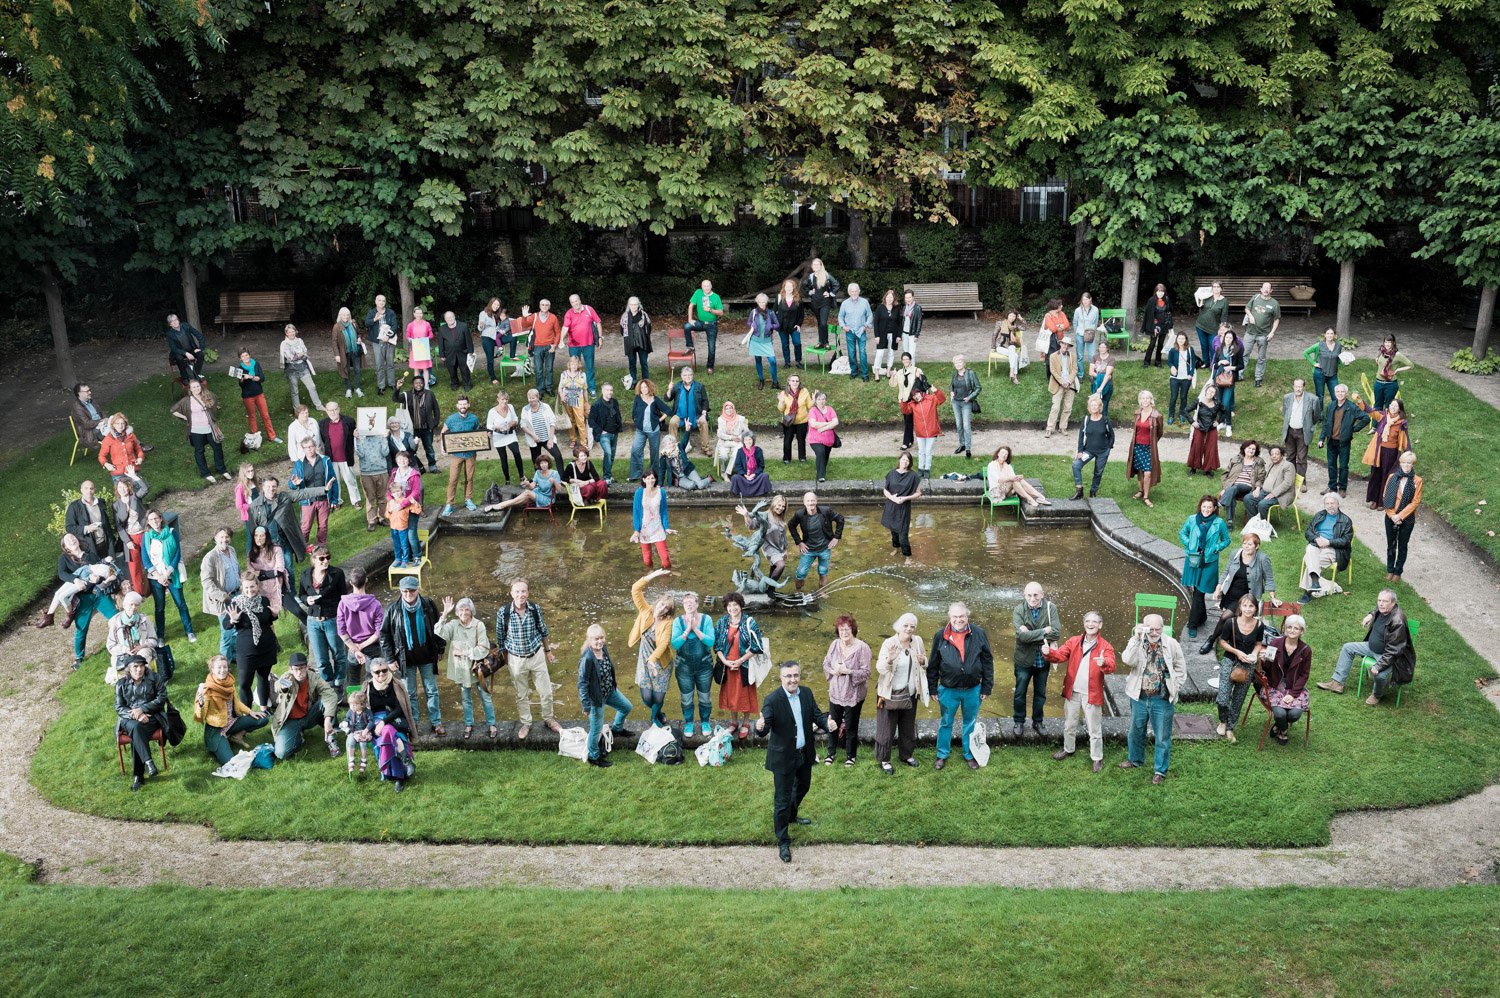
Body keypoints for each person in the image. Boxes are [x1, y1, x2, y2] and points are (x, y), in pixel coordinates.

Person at [757, 660, 837, 862]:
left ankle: (792, 816)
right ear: (781, 678)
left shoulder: (807, 693)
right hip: (783, 757)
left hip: (804, 753)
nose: (793, 680)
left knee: (803, 786)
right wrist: (760, 726)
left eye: (796, 676)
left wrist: (827, 724)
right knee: (781, 800)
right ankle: (783, 841)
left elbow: (817, 715)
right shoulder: (772, 700)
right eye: (788, 676)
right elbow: (764, 727)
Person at [1045, 611, 1116, 772]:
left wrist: (1104, 662)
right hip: (1073, 692)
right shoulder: (1074, 641)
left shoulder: (1105, 646)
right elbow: (1060, 656)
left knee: (1094, 728)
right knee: (1069, 724)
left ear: (1100, 625)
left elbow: (1111, 666)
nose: (1090, 624)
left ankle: (1097, 757)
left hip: (1092, 694)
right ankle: (1068, 748)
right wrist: (1048, 652)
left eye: (1094, 622)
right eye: (1088, 621)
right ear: (1084, 623)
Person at [1317, 589, 1415, 704]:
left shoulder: (1398, 621)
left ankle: (1377, 695)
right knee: (1347, 648)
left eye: (1385, 601)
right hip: (1371, 647)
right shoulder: (1383, 609)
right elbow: (1377, 610)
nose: (1381, 604)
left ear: (1393, 603)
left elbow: (1394, 650)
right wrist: (1371, 614)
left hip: (1388, 655)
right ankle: (1337, 683)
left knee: (1379, 675)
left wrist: (1379, 666)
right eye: (1379, 600)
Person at [1120, 615, 1186, 783]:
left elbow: (1180, 667)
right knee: (1136, 731)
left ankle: (1160, 771)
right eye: (1151, 629)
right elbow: (1127, 660)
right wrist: (1136, 637)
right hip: (1139, 696)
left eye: (1158, 629)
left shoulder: (1171, 644)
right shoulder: (1137, 641)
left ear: (1162, 628)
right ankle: (1135, 760)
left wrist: (1175, 686)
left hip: (1162, 698)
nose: (1154, 632)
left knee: (1162, 736)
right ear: (1144, 627)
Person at [927, 602, 993, 770]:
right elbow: (933, 664)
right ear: (950, 618)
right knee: (946, 722)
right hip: (948, 689)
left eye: (961, 616)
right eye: (955, 617)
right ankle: (942, 754)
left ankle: (969, 754)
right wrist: (932, 688)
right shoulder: (940, 636)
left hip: (973, 689)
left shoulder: (979, 633)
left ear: (967, 617)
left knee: (970, 722)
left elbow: (987, 661)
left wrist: (986, 687)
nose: (958, 620)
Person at [494, 577, 562, 739]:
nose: (520, 594)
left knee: (545, 692)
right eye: (517, 591)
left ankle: (549, 719)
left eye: (523, 591)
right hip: (516, 659)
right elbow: (500, 638)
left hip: (536, 655)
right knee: (521, 694)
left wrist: (548, 652)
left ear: (528, 592)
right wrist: (507, 661)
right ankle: (526, 723)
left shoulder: (535, 608)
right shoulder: (503, 613)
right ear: (511, 593)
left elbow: (543, 631)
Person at [379, 575, 447, 734]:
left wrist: (440, 649)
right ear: (400, 591)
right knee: (409, 693)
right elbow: (384, 635)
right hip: (405, 659)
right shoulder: (392, 609)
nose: (408, 594)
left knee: (432, 690)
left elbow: (439, 628)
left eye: (411, 590)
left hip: (427, 656)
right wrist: (389, 659)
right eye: (405, 591)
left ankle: (436, 722)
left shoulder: (428, 605)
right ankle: (413, 722)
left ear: (418, 589)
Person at [874, 613, 929, 773]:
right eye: (906, 625)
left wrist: (923, 661)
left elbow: (925, 661)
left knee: (907, 727)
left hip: (910, 693)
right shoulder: (889, 643)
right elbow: (880, 669)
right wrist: (890, 659)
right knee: (886, 728)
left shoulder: (917, 641)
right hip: (888, 694)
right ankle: (884, 759)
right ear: (899, 626)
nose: (909, 629)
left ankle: (906, 755)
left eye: (912, 626)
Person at [39, 535, 118, 645]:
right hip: (82, 597)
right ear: (66, 547)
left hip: (98, 593)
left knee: (116, 618)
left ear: (78, 540)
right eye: (68, 540)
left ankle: (121, 641)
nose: (71, 540)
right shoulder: (64, 558)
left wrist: (97, 579)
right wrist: (76, 580)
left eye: (72, 537)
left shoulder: (90, 555)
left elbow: (99, 572)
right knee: (81, 628)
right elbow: (62, 574)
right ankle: (79, 658)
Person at [247, 474, 326, 583]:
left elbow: (303, 494)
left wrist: (324, 489)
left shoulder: (284, 497)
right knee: (271, 571)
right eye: (268, 486)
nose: (271, 489)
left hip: (284, 542)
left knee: (288, 569)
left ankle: (292, 594)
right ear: (263, 487)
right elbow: (253, 530)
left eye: (274, 486)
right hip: (267, 545)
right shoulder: (254, 506)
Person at [436, 596, 494, 739]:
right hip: (461, 668)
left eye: (467, 609)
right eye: (461, 610)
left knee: (485, 696)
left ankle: (491, 724)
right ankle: (469, 724)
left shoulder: (478, 625)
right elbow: (438, 631)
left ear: (471, 611)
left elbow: (483, 648)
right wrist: (444, 613)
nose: (464, 613)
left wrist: (464, 652)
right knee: (465, 697)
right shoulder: (454, 624)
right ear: (457, 612)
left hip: (477, 667)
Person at [194, 654, 268, 765]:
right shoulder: (207, 689)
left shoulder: (229, 683)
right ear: (212, 669)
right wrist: (201, 703)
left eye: (225, 667)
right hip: (217, 730)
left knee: (263, 718)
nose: (223, 670)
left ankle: (235, 736)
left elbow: (236, 703)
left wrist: (250, 712)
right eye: (219, 667)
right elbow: (201, 714)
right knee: (230, 762)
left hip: (232, 722)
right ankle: (220, 742)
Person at [1212, 592, 1266, 742]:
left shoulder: (1259, 625)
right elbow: (1223, 642)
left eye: (1251, 606)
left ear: (1255, 608)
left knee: (1238, 698)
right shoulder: (1231, 622)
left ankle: (1230, 728)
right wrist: (1237, 651)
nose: (1248, 609)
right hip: (1230, 660)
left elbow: (1258, 644)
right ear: (1240, 607)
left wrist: (1254, 654)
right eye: (1245, 605)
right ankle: (1223, 721)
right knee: (1223, 697)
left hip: (1248, 664)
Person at [629, 568, 677, 727]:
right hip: (644, 660)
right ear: (658, 601)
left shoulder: (668, 622)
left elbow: (663, 644)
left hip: (661, 663)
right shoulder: (645, 610)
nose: (662, 609)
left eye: (666, 608)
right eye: (662, 604)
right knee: (647, 697)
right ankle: (659, 713)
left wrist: (652, 661)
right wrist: (654, 575)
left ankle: (654, 718)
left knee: (658, 698)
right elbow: (636, 589)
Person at [820, 615, 871, 766]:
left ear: (853, 630)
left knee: (851, 726)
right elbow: (826, 663)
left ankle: (850, 756)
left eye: (847, 629)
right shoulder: (834, 644)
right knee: (832, 723)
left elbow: (866, 672)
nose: (844, 632)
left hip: (854, 693)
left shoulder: (863, 648)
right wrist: (833, 671)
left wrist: (848, 671)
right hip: (836, 691)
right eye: (841, 629)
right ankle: (830, 753)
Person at [578, 623, 632, 767]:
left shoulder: (603, 649)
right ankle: (594, 756)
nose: (600, 641)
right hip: (597, 698)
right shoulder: (587, 659)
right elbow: (582, 684)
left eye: (602, 638)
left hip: (610, 691)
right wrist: (586, 705)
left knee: (626, 707)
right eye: (596, 639)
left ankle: (617, 728)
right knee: (596, 729)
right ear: (589, 640)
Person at [268, 652, 339, 759]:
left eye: (302, 668)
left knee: (328, 699)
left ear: (307, 667)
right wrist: (283, 687)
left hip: (309, 715)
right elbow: (278, 686)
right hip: (290, 721)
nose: (299, 672)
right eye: (295, 669)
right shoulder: (287, 677)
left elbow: (330, 694)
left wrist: (328, 719)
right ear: (290, 669)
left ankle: (331, 737)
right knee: (281, 753)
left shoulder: (313, 677)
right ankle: (299, 739)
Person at [1011, 582, 1061, 734]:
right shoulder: (1019, 610)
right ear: (1025, 595)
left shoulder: (1050, 608)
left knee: (1040, 693)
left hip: (1043, 658)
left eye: (1035, 595)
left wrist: (1030, 634)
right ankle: (1019, 722)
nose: (1032, 598)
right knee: (1020, 692)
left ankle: (1037, 722)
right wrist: (1044, 631)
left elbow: (1056, 633)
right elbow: (1021, 637)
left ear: (1042, 594)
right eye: (1029, 595)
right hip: (1023, 659)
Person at [716, 590, 766, 738]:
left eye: (735, 605)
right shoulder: (722, 622)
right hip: (728, 666)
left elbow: (758, 647)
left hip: (744, 665)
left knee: (745, 695)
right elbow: (717, 646)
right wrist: (726, 662)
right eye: (730, 605)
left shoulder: (749, 622)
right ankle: (733, 722)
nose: (733, 608)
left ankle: (745, 722)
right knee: (731, 695)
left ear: (741, 605)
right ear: (726, 607)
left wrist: (740, 661)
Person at [1180, 495, 1231, 639]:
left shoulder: (1219, 523)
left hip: (1209, 562)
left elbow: (1226, 540)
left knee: (1200, 592)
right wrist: (1189, 543)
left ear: (1214, 508)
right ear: (1200, 506)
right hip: (1194, 561)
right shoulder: (1191, 519)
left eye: (1209, 507)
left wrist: (1216, 547)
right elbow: (1182, 533)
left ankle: (1192, 624)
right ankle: (1201, 618)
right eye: (1204, 506)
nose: (1206, 509)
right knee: (1197, 591)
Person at [299, 543, 349, 688]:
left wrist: (342, 618)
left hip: (331, 620)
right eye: (322, 558)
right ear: (314, 560)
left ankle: (340, 683)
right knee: (321, 659)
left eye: (328, 558)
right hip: (313, 621)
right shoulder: (305, 575)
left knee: (338, 654)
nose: (326, 561)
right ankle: (328, 684)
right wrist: (306, 600)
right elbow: (301, 593)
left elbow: (343, 598)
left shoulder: (337, 574)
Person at [114, 655, 167, 791]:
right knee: (136, 727)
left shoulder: (155, 678)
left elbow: (162, 699)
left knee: (136, 733)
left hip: (152, 716)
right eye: (135, 667)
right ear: (129, 669)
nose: (139, 670)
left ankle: (138, 776)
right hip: (129, 718)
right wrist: (136, 715)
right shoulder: (120, 684)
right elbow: (119, 707)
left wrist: (142, 709)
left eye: (141, 666)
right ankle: (148, 763)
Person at [142, 508, 195, 642]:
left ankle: (189, 631)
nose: (154, 521)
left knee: (181, 604)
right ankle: (160, 636)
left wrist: (167, 573)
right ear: (148, 522)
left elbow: (177, 553)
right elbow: (145, 559)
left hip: (172, 574)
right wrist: (159, 576)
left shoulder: (171, 532)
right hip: (156, 577)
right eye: (151, 519)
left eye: (156, 518)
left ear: (160, 519)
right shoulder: (146, 536)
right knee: (159, 607)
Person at [364, 657, 417, 791]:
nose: (381, 674)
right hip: (374, 721)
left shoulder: (396, 684)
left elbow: (400, 709)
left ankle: (399, 776)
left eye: (384, 670)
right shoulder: (367, 687)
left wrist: (384, 721)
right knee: (390, 734)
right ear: (372, 673)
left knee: (388, 732)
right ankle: (406, 763)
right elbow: (363, 709)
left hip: (394, 718)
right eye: (377, 672)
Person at [228, 573, 280, 707]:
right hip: (247, 652)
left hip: (266, 648)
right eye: (246, 588)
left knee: (263, 679)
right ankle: (247, 713)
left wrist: (274, 615)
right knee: (245, 684)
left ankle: (264, 709)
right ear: (242, 588)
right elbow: (226, 625)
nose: (249, 590)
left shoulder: (264, 601)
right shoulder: (236, 603)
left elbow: (267, 620)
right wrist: (233, 619)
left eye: (252, 587)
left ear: (257, 586)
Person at [1260, 614, 1312, 745]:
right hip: (1275, 685)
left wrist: (1293, 694)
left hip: (1294, 687)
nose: (1292, 630)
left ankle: (1277, 726)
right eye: (1289, 627)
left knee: (1294, 715)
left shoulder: (1306, 650)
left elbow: (1304, 675)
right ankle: (1283, 731)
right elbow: (1268, 669)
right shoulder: (1274, 643)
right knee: (1280, 714)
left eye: (1296, 628)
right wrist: (1264, 660)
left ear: (1301, 631)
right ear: (1285, 629)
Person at [670, 592, 716, 735]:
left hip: (704, 666)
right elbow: (675, 644)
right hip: (684, 667)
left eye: (691, 601)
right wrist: (687, 630)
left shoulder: (706, 619)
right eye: (685, 602)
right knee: (686, 698)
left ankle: (705, 722)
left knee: (705, 697)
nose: (689, 603)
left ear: (697, 603)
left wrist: (695, 628)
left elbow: (710, 641)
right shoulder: (678, 622)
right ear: (683, 605)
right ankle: (689, 723)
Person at [1353, 394, 1410, 510]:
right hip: (1379, 451)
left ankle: (1382, 501)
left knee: (1387, 476)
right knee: (1376, 475)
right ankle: (1374, 500)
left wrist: (1408, 455)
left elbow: (1405, 440)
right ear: (1389, 406)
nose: (1393, 407)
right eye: (1392, 405)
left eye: (1396, 406)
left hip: (1391, 454)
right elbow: (1370, 411)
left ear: (1399, 409)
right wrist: (1360, 401)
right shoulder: (1383, 416)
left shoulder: (1401, 423)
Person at [170, 376, 231, 483]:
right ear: (190, 389)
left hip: (210, 428)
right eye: (194, 387)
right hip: (196, 430)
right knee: (199, 451)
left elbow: (216, 399)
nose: (196, 388)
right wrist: (185, 417)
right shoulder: (187, 400)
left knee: (217, 448)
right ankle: (205, 473)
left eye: (198, 386)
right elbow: (173, 410)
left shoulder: (207, 395)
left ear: (200, 386)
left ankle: (221, 469)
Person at [198, 526, 241, 666]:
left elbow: (237, 570)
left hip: (237, 595)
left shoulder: (232, 550)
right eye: (221, 537)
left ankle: (235, 657)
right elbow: (206, 582)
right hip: (224, 600)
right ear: (215, 538)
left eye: (227, 536)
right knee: (227, 633)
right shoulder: (210, 557)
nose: (224, 539)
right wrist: (223, 596)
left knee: (236, 630)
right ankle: (223, 665)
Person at [1318, 383, 1370, 497]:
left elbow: (1366, 418)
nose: (1340, 394)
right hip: (1331, 441)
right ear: (1335, 393)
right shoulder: (1331, 405)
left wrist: (1354, 429)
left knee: (1343, 466)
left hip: (1344, 442)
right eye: (1338, 392)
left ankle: (1342, 488)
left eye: (1342, 392)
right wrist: (1321, 438)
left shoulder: (1351, 407)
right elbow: (1327, 424)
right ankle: (1332, 487)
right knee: (1331, 465)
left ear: (1346, 393)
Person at [337, 566, 385, 689]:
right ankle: (371, 705)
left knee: (353, 680)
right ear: (366, 580)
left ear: (351, 583)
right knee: (373, 680)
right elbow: (379, 631)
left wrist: (355, 649)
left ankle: (355, 706)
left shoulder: (343, 604)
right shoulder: (375, 604)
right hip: (372, 647)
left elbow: (341, 631)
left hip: (352, 647)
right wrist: (362, 646)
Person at [788, 491, 844, 593]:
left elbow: (840, 518)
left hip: (825, 549)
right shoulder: (799, 514)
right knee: (800, 573)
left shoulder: (825, 511)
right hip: (808, 549)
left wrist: (836, 537)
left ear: (816, 501)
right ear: (804, 503)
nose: (811, 503)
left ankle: (822, 592)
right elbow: (791, 525)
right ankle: (798, 591)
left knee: (823, 572)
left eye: (812, 500)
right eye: (808, 501)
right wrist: (799, 542)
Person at [438, 394, 481, 516]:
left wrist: (485, 437)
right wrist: (442, 447)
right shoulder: (451, 419)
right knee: (453, 480)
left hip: (470, 454)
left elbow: (478, 434)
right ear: (457, 405)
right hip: (456, 454)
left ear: (468, 405)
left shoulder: (474, 418)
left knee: (469, 478)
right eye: (460, 404)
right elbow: (443, 433)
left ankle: (468, 499)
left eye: (465, 404)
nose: (463, 406)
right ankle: (449, 504)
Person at [1382, 450, 1422, 581]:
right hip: (1391, 516)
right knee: (1391, 544)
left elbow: (1415, 501)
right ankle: (1390, 570)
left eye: (1409, 463)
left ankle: (1398, 572)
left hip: (1407, 518)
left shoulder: (1417, 481)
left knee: (1402, 545)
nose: (1406, 465)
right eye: (1404, 462)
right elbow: (1385, 497)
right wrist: (1393, 515)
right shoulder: (1392, 477)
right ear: (1400, 463)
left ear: (1413, 465)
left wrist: (1400, 516)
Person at [290, 437, 338, 545]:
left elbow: (333, 480)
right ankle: (303, 546)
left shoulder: (325, 461)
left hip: (323, 499)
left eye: (311, 446)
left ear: (315, 446)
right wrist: (295, 483)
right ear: (303, 449)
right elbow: (291, 485)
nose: (309, 449)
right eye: (306, 448)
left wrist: (334, 499)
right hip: (307, 501)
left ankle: (321, 545)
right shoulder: (299, 464)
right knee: (306, 526)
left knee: (323, 525)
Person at [319, 400, 362, 512]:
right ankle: (336, 501)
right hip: (331, 458)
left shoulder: (349, 421)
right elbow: (323, 441)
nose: (333, 412)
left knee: (350, 480)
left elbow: (356, 436)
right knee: (334, 481)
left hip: (345, 457)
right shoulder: (322, 424)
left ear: (338, 409)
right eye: (330, 410)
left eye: (335, 409)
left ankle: (356, 500)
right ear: (326, 411)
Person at [484, 453, 562, 514]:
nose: (544, 465)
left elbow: (560, 490)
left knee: (526, 493)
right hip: (537, 493)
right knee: (520, 500)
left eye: (545, 462)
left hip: (547, 499)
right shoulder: (538, 472)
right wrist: (528, 484)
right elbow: (532, 487)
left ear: (548, 463)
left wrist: (554, 481)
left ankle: (501, 505)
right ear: (539, 465)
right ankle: (500, 506)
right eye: (541, 463)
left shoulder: (554, 474)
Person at [736, 494, 790, 580]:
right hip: (768, 546)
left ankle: (769, 587)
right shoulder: (765, 515)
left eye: (783, 506)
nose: (781, 508)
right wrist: (746, 515)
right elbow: (752, 525)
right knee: (781, 565)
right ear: (773, 504)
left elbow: (783, 535)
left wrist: (785, 549)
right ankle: (770, 590)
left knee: (774, 567)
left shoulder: (781, 517)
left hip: (779, 547)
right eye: (779, 505)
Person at [111, 476, 150, 595]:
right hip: (130, 538)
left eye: (124, 487)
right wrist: (127, 541)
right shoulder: (116, 505)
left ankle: (161, 585)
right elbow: (118, 525)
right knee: (134, 567)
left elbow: (145, 488)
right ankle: (139, 593)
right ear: (117, 489)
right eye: (120, 487)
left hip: (144, 534)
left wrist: (134, 476)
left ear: (129, 488)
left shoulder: (135, 498)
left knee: (151, 559)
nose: (122, 489)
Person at [1070, 393, 1114, 500]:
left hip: (1102, 451)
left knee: (1098, 472)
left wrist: (1108, 448)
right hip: (1088, 450)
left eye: (1096, 405)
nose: (1094, 407)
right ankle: (1079, 491)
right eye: (1092, 405)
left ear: (1100, 407)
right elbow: (1081, 436)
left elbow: (1111, 435)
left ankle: (1093, 492)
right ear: (1089, 408)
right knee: (1076, 465)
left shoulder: (1105, 420)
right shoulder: (1086, 419)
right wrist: (1080, 451)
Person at [1125, 390, 1164, 507]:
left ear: (1151, 399)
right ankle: (1140, 490)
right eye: (1143, 398)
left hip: (1149, 448)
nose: (1145, 400)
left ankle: (1146, 497)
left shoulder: (1157, 415)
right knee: (1139, 470)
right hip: (1137, 446)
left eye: (1147, 398)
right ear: (1140, 400)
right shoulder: (1137, 413)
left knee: (1148, 473)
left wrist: (1152, 442)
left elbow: (1160, 432)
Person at [352, 412, 390, 531]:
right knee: (370, 498)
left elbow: (385, 452)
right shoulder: (360, 437)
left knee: (381, 497)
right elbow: (360, 454)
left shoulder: (380, 435)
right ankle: (371, 520)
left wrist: (384, 438)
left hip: (381, 471)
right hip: (367, 473)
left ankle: (382, 517)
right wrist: (357, 439)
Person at [631, 467, 676, 568]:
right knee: (647, 560)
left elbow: (664, 511)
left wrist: (666, 527)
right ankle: (649, 575)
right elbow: (636, 513)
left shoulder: (661, 492)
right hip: (644, 529)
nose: (650, 480)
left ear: (655, 479)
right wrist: (636, 530)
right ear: (643, 479)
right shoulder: (639, 493)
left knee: (666, 559)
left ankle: (666, 578)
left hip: (658, 528)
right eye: (648, 478)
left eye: (652, 478)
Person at [902, 379, 947, 480]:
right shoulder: (912, 405)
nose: (917, 397)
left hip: (932, 431)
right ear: (912, 398)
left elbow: (942, 399)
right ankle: (920, 469)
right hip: (920, 432)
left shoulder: (931, 399)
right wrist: (903, 401)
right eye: (914, 396)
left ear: (920, 393)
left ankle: (927, 469)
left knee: (928, 451)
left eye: (917, 394)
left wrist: (936, 391)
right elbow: (905, 410)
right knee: (921, 451)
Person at [234, 346, 280, 443]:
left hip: (259, 393)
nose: (245, 357)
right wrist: (242, 379)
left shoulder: (256, 364)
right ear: (240, 358)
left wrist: (251, 377)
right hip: (247, 396)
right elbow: (242, 385)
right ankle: (255, 438)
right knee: (252, 416)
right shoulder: (239, 369)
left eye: (246, 355)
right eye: (243, 356)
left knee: (265, 415)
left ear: (249, 355)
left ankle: (272, 436)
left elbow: (262, 378)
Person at [1238, 280, 1280, 386]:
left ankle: (1258, 378)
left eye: (1268, 288)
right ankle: (1239, 375)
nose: (1266, 289)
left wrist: (1272, 333)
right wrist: (1251, 316)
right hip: (1250, 332)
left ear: (1271, 290)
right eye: (1264, 287)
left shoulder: (1274, 303)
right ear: (1261, 289)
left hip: (1264, 335)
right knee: (1244, 354)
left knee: (1261, 357)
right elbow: (1247, 308)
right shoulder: (1255, 297)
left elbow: (1276, 319)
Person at [106, 591, 160, 673]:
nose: (134, 607)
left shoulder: (144, 619)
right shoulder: (115, 622)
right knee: (130, 665)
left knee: (142, 658)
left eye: (136, 605)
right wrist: (125, 649)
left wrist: (141, 647)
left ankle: (145, 682)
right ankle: (130, 683)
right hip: (123, 652)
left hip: (141, 649)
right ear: (124, 605)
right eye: (131, 604)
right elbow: (111, 645)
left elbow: (153, 640)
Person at [881, 451, 921, 559]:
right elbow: (885, 490)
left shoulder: (913, 476)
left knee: (903, 534)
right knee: (894, 532)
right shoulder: (891, 473)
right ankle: (896, 548)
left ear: (910, 462)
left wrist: (905, 498)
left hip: (903, 507)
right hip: (891, 506)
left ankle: (907, 556)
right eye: (903, 459)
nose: (905, 462)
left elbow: (918, 493)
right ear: (899, 460)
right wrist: (892, 498)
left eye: (907, 460)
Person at [1281, 378, 1321, 486]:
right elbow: (1285, 412)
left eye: (1300, 386)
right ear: (1293, 386)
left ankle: (1301, 482)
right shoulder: (1287, 397)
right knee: (1290, 457)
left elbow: (1317, 416)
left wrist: (1309, 425)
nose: (1298, 389)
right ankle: (1290, 480)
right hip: (1289, 431)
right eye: (1296, 386)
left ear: (1304, 387)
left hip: (1303, 432)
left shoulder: (1313, 399)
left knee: (1302, 458)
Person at [628, 378, 670, 482]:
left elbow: (668, 410)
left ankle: (654, 474)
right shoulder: (637, 398)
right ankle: (636, 475)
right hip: (641, 430)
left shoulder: (655, 400)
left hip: (653, 430)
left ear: (649, 387)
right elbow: (634, 413)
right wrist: (637, 421)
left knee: (654, 453)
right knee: (635, 450)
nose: (644, 389)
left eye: (645, 387)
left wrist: (659, 420)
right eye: (642, 387)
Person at [1217, 439, 1266, 528]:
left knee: (1235, 488)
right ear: (1244, 448)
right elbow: (1225, 474)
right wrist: (1225, 488)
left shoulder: (1259, 462)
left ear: (1256, 451)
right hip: (1232, 487)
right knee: (1231, 495)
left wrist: (1258, 488)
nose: (1251, 450)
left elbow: (1261, 478)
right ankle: (1230, 523)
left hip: (1248, 487)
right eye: (1249, 448)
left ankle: (1219, 503)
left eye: (1253, 449)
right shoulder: (1237, 459)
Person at [64, 478, 117, 560]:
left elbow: (106, 523)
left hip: (105, 543)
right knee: (95, 570)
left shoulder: (101, 503)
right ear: (81, 490)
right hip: (88, 547)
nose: (89, 491)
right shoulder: (74, 506)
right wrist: (87, 528)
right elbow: (69, 527)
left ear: (94, 490)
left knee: (109, 569)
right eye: (86, 488)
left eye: (91, 488)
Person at [394, 374, 440, 466]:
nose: (418, 384)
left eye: (421, 383)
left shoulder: (429, 394)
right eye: (416, 383)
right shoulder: (407, 395)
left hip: (427, 427)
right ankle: (415, 466)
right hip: (412, 428)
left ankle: (432, 466)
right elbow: (395, 399)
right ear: (413, 384)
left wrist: (435, 422)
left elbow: (436, 409)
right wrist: (397, 388)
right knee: (412, 449)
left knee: (429, 448)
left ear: (423, 384)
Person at [1245, 443, 1297, 522]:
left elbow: (1288, 483)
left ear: (1282, 455)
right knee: (1248, 498)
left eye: (1277, 454)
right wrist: (1258, 488)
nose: (1274, 456)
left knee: (1262, 504)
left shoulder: (1288, 466)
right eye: (1272, 454)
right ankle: (1255, 521)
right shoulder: (1271, 465)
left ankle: (1262, 525)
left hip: (1280, 495)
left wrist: (1273, 493)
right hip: (1265, 492)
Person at [279, 323, 325, 412]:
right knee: (294, 391)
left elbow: (305, 352)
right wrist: (300, 354)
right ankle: (297, 410)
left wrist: (300, 355)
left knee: (312, 386)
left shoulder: (300, 340)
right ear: (286, 333)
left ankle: (318, 406)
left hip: (303, 367)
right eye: (290, 332)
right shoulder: (284, 344)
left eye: (293, 331)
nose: (292, 333)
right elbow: (291, 358)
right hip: (291, 370)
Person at [246, 525, 290, 619]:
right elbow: (252, 575)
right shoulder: (250, 553)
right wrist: (270, 573)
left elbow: (279, 571)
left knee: (295, 610)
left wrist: (261, 573)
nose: (259, 538)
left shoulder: (276, 549)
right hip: (260, 590)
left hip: (277, 587)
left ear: (267, 536)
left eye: (262, 535)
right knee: (267, 619)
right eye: (256, 536)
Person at [520, 299, 562, 397]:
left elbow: (558, 332)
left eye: (546, 305)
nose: (544, 306)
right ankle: (540, 389)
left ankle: (549, 388)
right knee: (538, 370)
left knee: (549, 369)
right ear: (539, 306)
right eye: (542, 305)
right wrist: (524, 317)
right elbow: (524, 325)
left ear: (549, 307)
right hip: (537, 347)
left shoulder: (553, 317)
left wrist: (555, 345)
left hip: (549, 346)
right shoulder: (534, 316)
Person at [665, 365, 711, 455]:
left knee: (704, 423)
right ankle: (673, 447)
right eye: (685, 375)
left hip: (696, 414)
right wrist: (669, 390)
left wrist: (703, 414)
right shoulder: (677, 386)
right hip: (680, 414)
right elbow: (667, 398)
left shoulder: (699, 386)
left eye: (690, 375)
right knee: (672, 422)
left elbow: (705, 401)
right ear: (682, 377)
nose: (688, 377)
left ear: (692, 376)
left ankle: (705, 448)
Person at [98, 412, 148, 492]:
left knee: (138, 490)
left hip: (131, 469)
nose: (120, 426)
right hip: (118, 472)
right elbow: (101, 456)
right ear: (113, 425)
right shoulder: (108, 439)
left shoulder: (131, 436)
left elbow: (138, 449)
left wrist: (140, 458)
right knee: (122, 493)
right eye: (117, 423)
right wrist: (106, 464)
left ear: (126, 424)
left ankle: (137, 505)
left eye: (122, 423)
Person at [1209, 324, 1244, 436]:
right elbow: (1214, 364)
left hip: (1229, 380)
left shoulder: (1237, 351)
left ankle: (1228, 424)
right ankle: (1222, 422)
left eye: (1230, 337)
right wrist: (1219, 363)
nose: (1228, 339)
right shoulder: (1219, 350)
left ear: (1233, 339)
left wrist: (1231, 367)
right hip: (1219, 378)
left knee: (1226, 403)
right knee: (1218, 402)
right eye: (1226, 337)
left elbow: (1241, 365)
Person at [518, 387, 565, 471]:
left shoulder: (545, 407)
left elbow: (552, 423)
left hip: (547, 438)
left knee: (558, 456)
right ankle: (539, 478)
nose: (531, 400)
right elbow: (523, 425)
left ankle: (562, 477)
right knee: (536, 461)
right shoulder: (525, 410)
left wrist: (551, 439)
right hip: (534, 440)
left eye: (533, 398)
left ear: (537, 397)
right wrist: (533, 435)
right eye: (529, 398)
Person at [685, 279, 724, 374]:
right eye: (704, 286)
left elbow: (721, 312)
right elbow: (691, 306)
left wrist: (710, 310)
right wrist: (690, 319)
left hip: (712, 325)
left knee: (711, 347)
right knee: (687, 326)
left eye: (708, 286)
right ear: (701, 287)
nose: (706, 288)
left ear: (711, 286)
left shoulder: (716, 297)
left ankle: (710, 367)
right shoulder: (698, 293)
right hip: (701, 323)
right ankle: (690, 347)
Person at [487, 390, 525, 485]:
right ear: (498, 400)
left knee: (516, 453)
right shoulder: (492, 411)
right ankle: (507, 480)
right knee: (503, 457)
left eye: (506, 399)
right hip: (498, 436)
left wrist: (511, 424)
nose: (504, 401)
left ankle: (522, 476)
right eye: (502, 399)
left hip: (510, 434)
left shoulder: (510, 407)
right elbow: (489, 425)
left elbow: (515, 419)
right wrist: (496, 427)